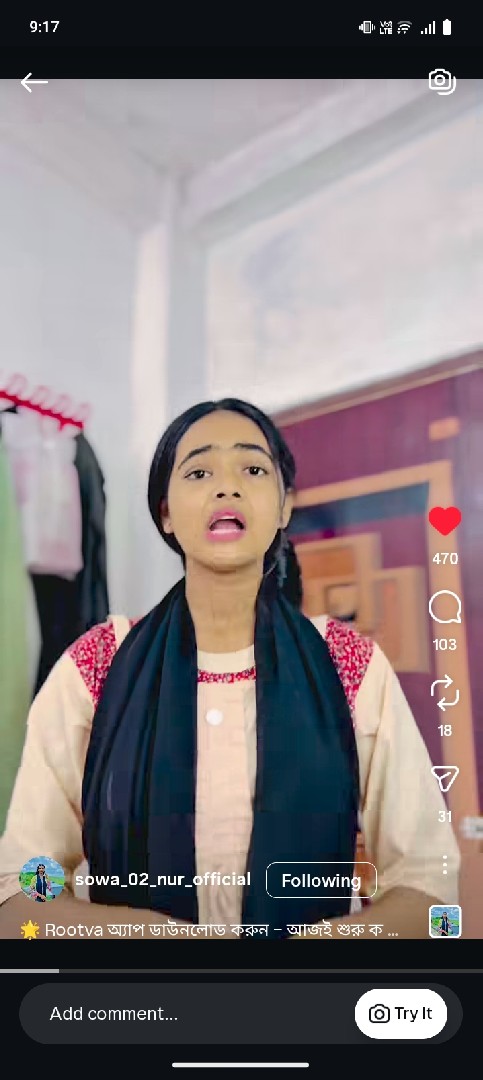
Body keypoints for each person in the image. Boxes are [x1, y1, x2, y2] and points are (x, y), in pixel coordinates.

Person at [0, 398, 459, 939]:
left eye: (253, 469)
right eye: (199, 472)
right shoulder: (94, 667)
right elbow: (20, 893)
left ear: (284, 507)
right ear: (166, 512)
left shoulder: (349, 666)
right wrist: (160, 941)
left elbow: (431, 887)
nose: (227, 487)